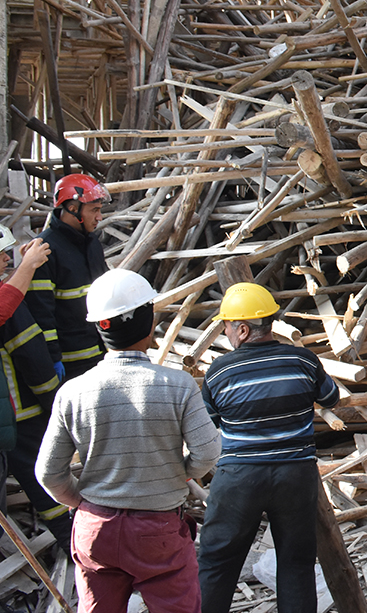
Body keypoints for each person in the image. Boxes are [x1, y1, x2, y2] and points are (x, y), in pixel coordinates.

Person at [36, 269, 221, 613]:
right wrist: (179, 475)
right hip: (158, 530)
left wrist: (85, 502)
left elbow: (48, 473)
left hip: (95, 531)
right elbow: (209, 450)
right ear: (148, 322)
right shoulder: (176, 385)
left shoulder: (73, 393)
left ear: (100, 327)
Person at [199, 283, 340, 613]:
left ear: (243, 329)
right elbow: (331, 397)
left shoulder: (219, 373)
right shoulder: (303, 360)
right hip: (296, 475)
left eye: (228, 325)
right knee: (296, 562)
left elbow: (210, 421)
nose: (226, 331)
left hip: (239, 477)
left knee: (217, 563)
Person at [0, 227, 70, 554]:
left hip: (11, 413)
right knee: (42, 476)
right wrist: (52, 398)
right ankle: (73, 539)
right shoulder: (6, 300)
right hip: (19, 410)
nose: (6, 259)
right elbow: (29, 351)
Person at [27, 174, 111, 380]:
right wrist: (53, 358)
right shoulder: (44, 250)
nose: (99, 217)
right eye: (94, 210)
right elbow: (41, 312)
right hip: (70, 363)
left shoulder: (91, 243)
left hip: (101, 354)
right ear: (73, 208)